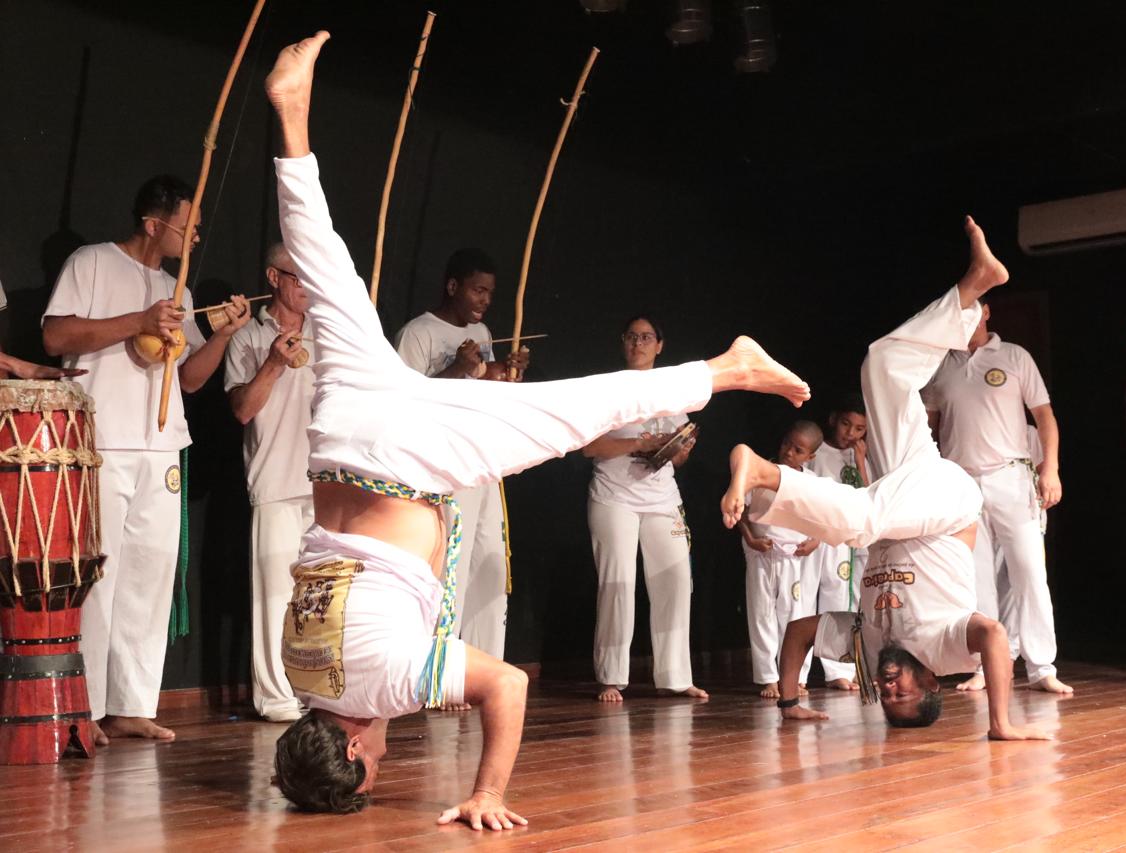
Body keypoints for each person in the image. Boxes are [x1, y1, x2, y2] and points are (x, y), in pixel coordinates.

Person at [262, 31, 809, 829]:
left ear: (347, 750)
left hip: (411, 458)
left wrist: (487, 791)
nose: (381, 757)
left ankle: (725, 368)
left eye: (371, 767)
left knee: (562, 415)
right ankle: (292, 120)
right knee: (323, 263)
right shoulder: (300, 670)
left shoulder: (386, 686)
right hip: (342, 438)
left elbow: (507, 685)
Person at [720, 216, 1048, 740]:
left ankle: (974, 287)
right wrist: (1000, 723)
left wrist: (789, 702)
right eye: (907, 697)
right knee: (864, 521)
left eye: (887, 701)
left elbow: (802, 630)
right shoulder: (945, 652)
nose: (892, 690)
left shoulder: (869, 645)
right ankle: (764, 473)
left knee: (881, 366)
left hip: (905, 490)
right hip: (945, 503)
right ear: (932, 685)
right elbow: (992, 632)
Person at [42, 175, 251, 745]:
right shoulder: (93, 262)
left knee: (150, 576)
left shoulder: (174, 289)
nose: (198, 233)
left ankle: (131, 704)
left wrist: (223, 335)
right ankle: (83, 704)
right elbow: (57, 337)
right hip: (102, 439)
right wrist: (137, 321)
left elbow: (184, 380)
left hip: (161, 446)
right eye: (191, 222)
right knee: (101, 577)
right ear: (155, 223)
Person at [922, 298, 1071, 694]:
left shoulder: (1014, 356)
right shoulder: (942, 365)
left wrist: (1049, 468)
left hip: (1011, 476)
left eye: (973, 308)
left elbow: (1044, 417)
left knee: (1029, 574)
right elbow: (930, 430)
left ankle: (1042, 667)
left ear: (986, 311)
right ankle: (989, 667)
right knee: (975, 580)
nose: (966, 316)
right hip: (961, 483)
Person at [395, 248, 528, 669]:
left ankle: (484, 667)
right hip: (445, 464)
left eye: (489, 292)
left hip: (483, 460)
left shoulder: (485, 333)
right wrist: (455, 369)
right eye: (477, 290)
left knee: (488, 564)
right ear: (453, 286)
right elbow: (404, 403)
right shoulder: (419, 333)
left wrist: (508, 372)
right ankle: (442, 667)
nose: (485, 300)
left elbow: (485, 393)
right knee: (451, 565)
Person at [581, 315, 706, 703]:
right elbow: (589, 448)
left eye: (646, 337)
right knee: (618, 583)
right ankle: (612, 676)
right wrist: (638, 445)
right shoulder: (609, 389)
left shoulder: (670, 392)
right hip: (614, 495)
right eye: (632, 337)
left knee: (675, 581)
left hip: (662, 498)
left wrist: (679, 450)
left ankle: (675, 675)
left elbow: (677, 455)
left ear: (660, 345)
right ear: (623, 342)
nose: (638, 343)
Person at [225, 243, 314, 722]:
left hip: (325, 481)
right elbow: (242, 409)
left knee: (319, 598)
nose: (306, 288)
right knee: (275, 596)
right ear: (273, 277)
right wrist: (275, 364)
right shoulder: (249, 337)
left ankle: (317, 691)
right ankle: (276, 697)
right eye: (297, 277)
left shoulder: (328, 330)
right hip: (275, 478)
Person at [739, 421, 823, 698]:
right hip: (762, 552)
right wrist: (750, 538)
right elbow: (741, 509)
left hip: (793, 557)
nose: (789, 452)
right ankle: (768, 677)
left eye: (798, 450)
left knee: (795, 617)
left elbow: (821, 518)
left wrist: (816, 540)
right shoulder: (763, 471)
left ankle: (796, 677)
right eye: (788, 444)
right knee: (762, 614)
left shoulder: (810, 482)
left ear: (809, 457)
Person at [807, 394, 871, 690]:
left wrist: (860, 460)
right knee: (814, 598)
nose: (850, 434)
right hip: (818, 532)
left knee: (848, 598)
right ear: (833, 419)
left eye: (859, 429)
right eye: (846, 424)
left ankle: (841, 669)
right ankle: (808, 670)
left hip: (849, 535)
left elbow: (869, 493)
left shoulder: (860, 454)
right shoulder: (815, 450)